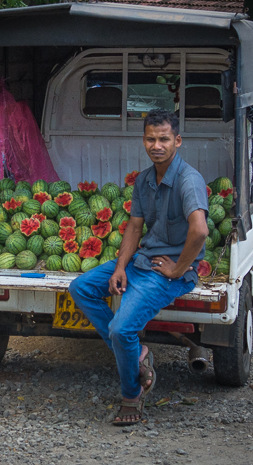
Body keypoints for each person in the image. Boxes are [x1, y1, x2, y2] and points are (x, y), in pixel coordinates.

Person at [69, 108, 209, 426]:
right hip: (141, 262)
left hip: (165, 273)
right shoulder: (145, 179)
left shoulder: (189, 180)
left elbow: (200, 230)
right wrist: (120, 267)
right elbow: (134, 228)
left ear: (178, 141)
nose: (156, 145)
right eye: (150, 139)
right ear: (143, 140)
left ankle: (132, 393)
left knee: (121, 328)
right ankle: (138, 355)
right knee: (81, 288)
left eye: (163, 139)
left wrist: (178, 269)